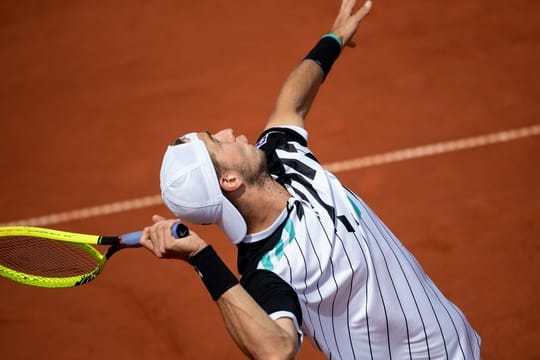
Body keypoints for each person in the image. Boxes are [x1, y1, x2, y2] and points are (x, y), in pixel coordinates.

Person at [140, 1, 482, 359]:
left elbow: (293, 100)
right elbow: (276, 350)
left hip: (459, 344)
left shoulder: (281, 156)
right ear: (228, 180)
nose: (228, 131)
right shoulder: (268, 270)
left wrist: (332, 39)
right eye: (216, 140)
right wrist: (202, 257)